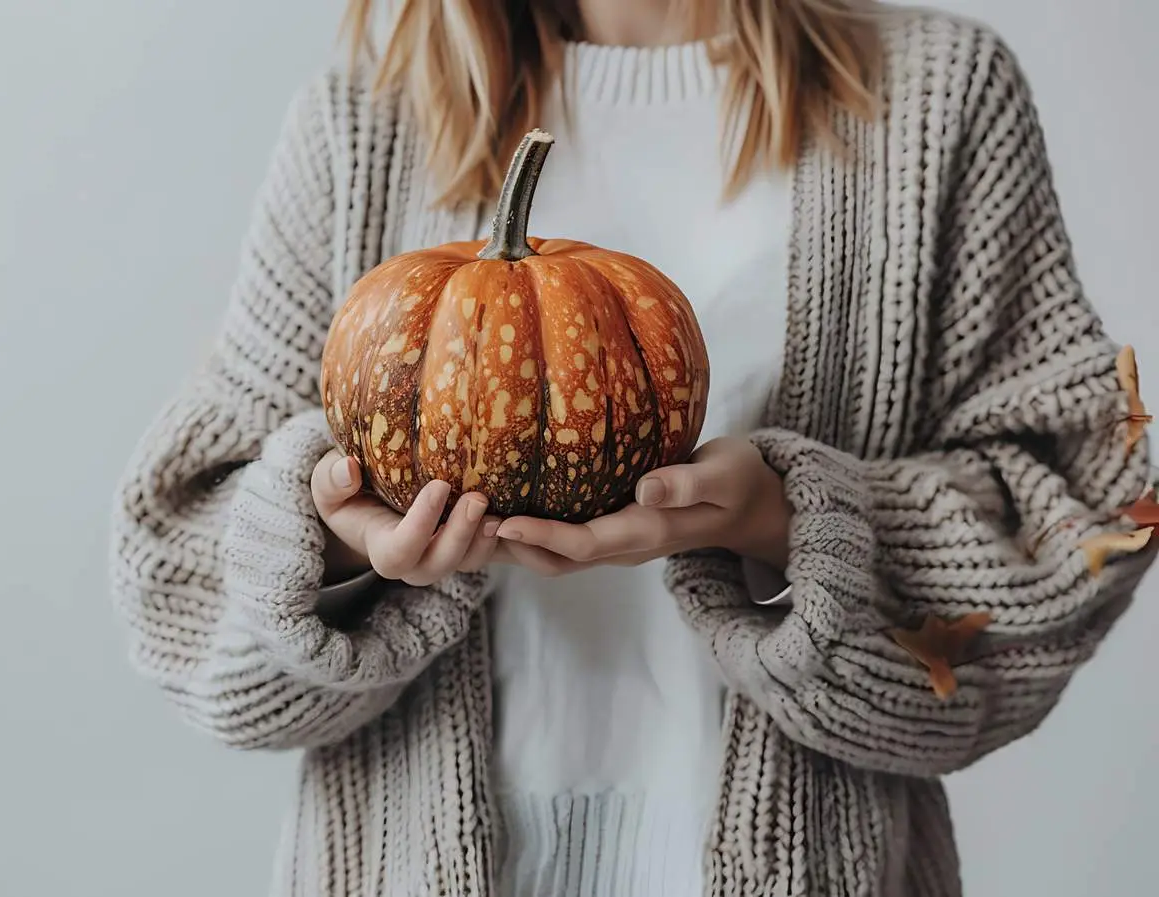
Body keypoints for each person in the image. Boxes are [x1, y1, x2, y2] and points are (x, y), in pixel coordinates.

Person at [108, 0, 1154, 894]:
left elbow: (1083, 515)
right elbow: (181, 580)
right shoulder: (368, 116)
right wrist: (337, 542)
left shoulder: (935, 95)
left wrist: (787, 521)